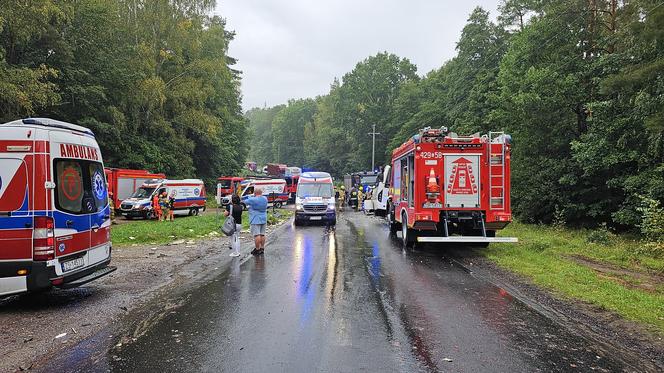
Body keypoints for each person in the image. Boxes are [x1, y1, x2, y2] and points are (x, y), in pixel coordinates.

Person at [244, 188, 268, 255]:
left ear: (255, 193)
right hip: (264, 218)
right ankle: (262, 248)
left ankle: (257, 249)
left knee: (257, 235)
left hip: (255, 218)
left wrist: (249, 196)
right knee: (262, 234)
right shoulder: (265, 198)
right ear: (261, 192)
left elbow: (245, 201)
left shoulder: (253, 199)